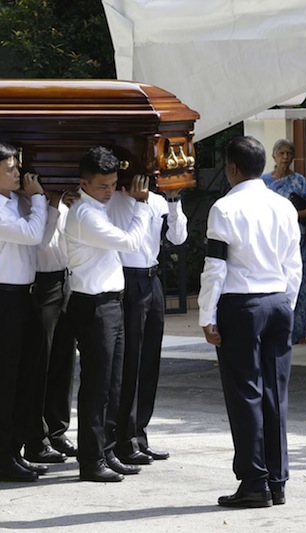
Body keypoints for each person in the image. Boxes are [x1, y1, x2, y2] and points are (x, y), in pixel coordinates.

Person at [198, 136, 302, 508]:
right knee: (276, 393)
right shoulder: (283, 205)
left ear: (231, 168)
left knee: (245, 394)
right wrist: (286, 303)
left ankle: (254, 481)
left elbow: (215, 267)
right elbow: (294, 263)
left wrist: (207, 316)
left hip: (241, 306)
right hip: (277, 302)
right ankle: (277, 481)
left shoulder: (224, 208)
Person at [63, 146, 151, 482]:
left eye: (114, 184)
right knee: (97, 386)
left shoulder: (98, 208)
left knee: (113, 385)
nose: (110, 190)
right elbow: (131, 243)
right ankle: (90, 460)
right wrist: (141, 206)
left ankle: (106, 450)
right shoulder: (86, 214)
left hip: (111, 302)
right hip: (93, 305)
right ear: (84, 183)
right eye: (103, 185)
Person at [0, 141, 47, 482]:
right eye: (10, 170)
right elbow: (33, 234)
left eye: (17, 167)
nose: (18, 173)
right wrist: (41, 199)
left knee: (25, 378)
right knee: (6, 380)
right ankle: (1, 458)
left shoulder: (14, 201)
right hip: (2, 298)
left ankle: (15, 450)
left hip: (23, 295)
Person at [107, 184, 187, 465]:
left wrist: (174, 200)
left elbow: (178, 238)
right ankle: (122, 438)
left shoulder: (156, 200)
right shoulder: (113, 198)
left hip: (151, 278)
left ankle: (139, 433)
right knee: (129, 361)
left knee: (149, 360)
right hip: (127, 279)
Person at [23, 191, 75, 463]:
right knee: (38, 364)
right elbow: (40, 243)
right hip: (39, 284)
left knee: (63, 361)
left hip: (64, 279)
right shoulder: (27, 204)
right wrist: (50, 203)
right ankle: (35, 438)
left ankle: (58, 430)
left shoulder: (64, 201)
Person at [261, 139, 306, 344]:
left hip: (297, 240)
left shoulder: (300, 182)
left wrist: (295, 214)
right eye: (282, 153)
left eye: (289, 153)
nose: (285, 158)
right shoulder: (264, 183)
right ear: (274, 157)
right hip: (270, 240)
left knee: (299, 284)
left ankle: (298, 332)